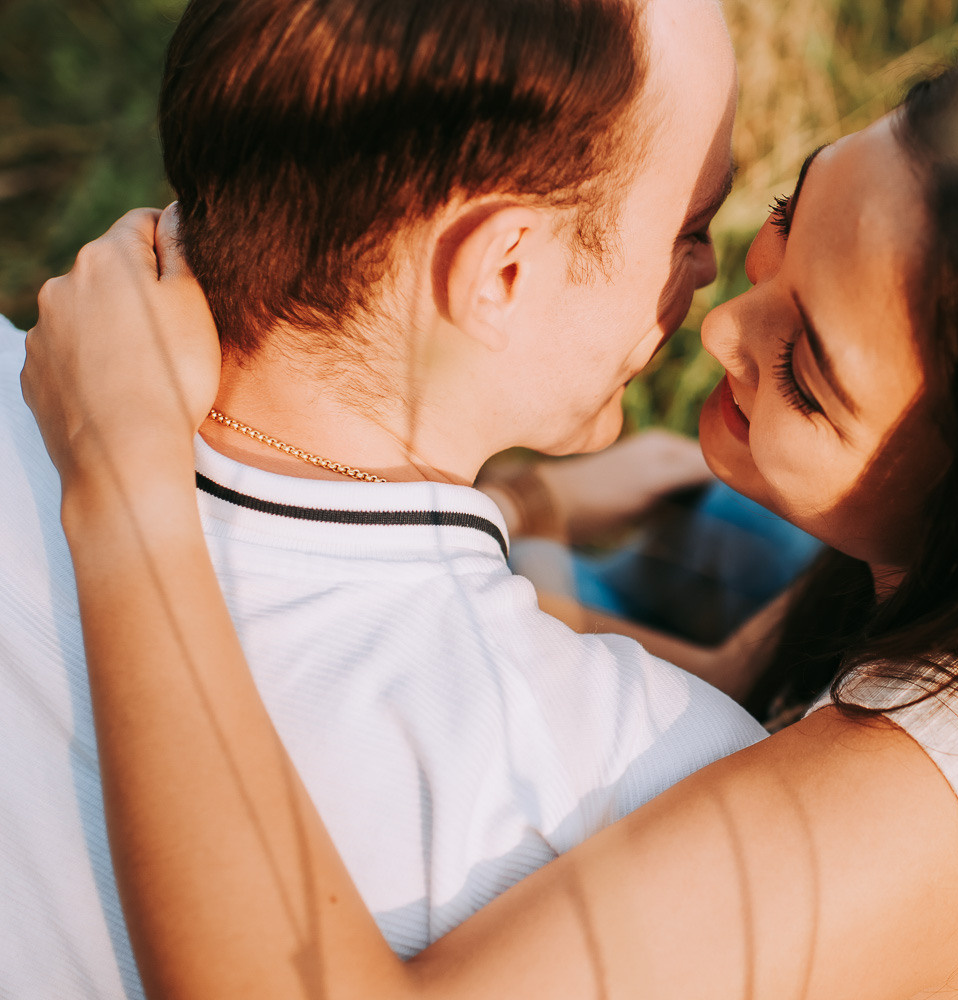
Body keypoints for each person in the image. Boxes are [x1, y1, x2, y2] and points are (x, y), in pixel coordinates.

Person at [25, 50, 958, 1000]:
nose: (721, 327)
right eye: (781, 227)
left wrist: (129, 478)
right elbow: (734, 697)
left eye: (808, 368)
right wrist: (511, 517)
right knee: (668, 532)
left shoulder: (935, 805)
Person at [0, 0, 773, 996]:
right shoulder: (651, 783)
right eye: (691, 228)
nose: (707, 272)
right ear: (502, 270)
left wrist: (530, 509)